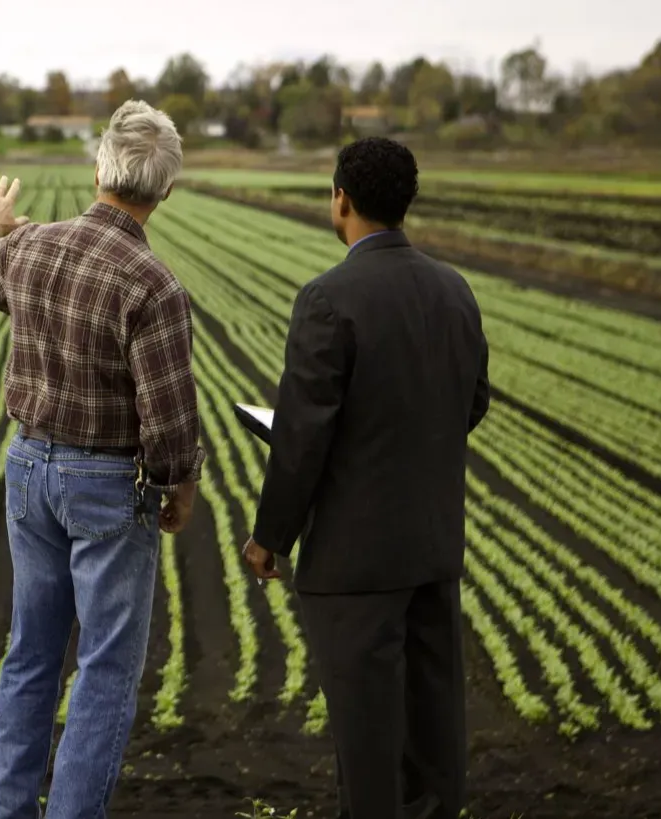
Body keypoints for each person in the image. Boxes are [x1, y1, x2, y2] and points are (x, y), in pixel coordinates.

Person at [0, 100, 203, 819]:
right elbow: (169, 413)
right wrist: (178, 484)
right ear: (166, 190)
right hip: (106, 484)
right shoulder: (153, 285)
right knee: (105, 669)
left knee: (31, 651)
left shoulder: (33, 250)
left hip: (28, 470)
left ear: (98, 168)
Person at [242, 137, 491, 819]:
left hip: (354, 562)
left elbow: (302, 437)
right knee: (435, 736)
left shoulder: (329, 298)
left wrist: (271, 538)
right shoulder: (454, 288)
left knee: (368, 742)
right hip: (434, 547)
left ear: (341, 200)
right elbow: (473, 401)